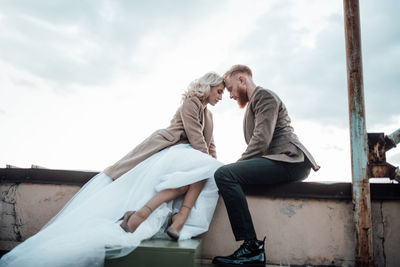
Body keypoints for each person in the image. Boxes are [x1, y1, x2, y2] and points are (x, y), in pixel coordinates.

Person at [0, 72, 225, 267]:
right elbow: (195, 136)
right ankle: (176, 218)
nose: (221, 96)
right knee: (200, 169)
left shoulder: (210, 114)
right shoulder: (192, 103)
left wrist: (213, 164)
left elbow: (210, 143)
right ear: (209, 85)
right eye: (219, 91)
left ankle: (151, 217)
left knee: (202, 171)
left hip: (189, 154)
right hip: (171, 149)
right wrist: (208, 161)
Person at [212, 65, 319, 266]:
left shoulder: (264, 96)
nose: (230, 95)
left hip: (290, 159)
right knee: (229, 175)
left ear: (242, 80)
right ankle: (252, 250)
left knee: (225, 175)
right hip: (279, 160)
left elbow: (261, 140)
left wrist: (234, 169)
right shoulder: (255, 102)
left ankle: (251, 248)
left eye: (230, 88)